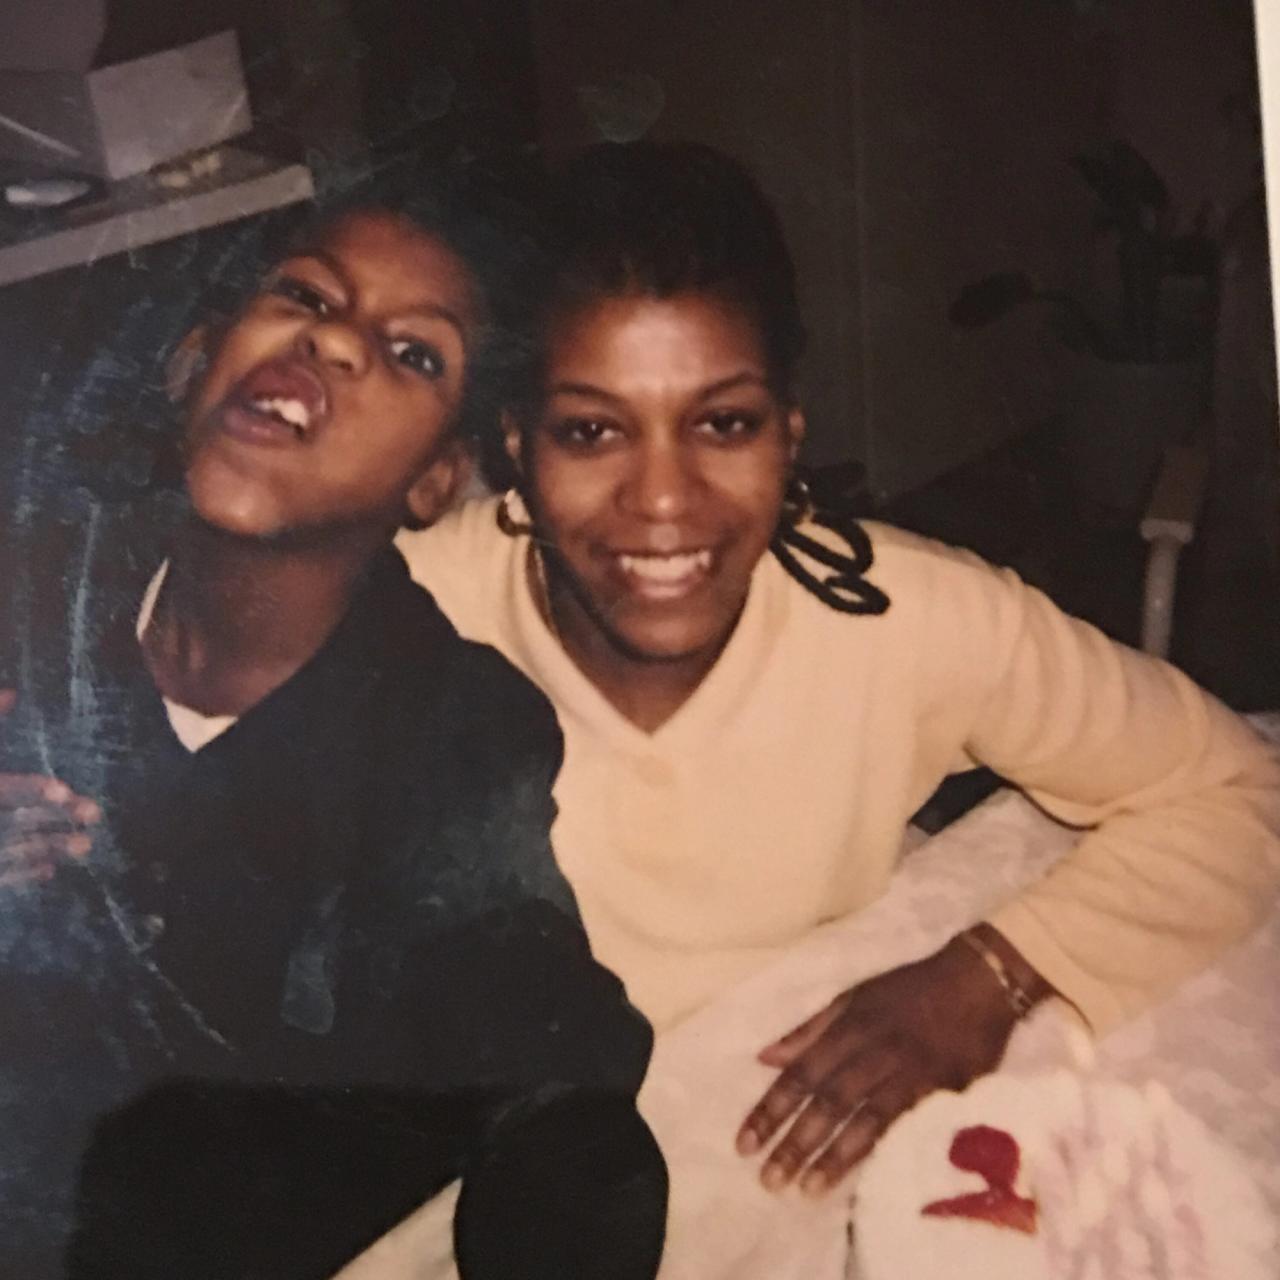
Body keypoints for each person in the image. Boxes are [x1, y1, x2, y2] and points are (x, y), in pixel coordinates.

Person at [393, 140, 1280, 1199]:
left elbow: (1240, 786)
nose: (663, 498)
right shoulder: (401, 613)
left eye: (724, 423)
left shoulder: (910, 616)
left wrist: (983, 977)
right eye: (591, 431)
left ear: (789, 433)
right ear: (516, 445)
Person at [0, 171, 665, 1278]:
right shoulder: (39, 584)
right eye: (306, 296)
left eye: (413, 353)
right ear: (195, 361)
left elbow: (543, 1045)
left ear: (435, 479)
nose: (334, 342)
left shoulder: (448, 732)